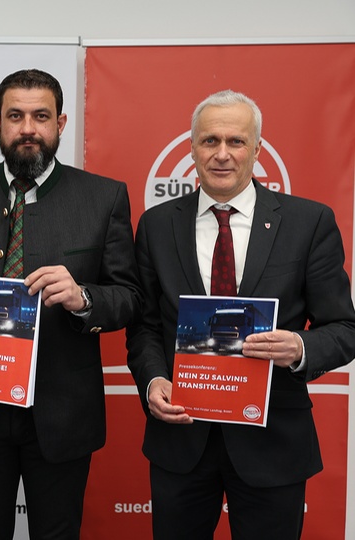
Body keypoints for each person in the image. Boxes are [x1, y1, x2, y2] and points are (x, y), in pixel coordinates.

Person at [0, 68, 142, 539]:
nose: (27, 128)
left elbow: (128, 296)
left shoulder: (103, 197)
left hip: (62, 413)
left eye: (40, 116)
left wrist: (83, 297)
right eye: (15, 116)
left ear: (60, 123)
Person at [126, 89, 355, 539]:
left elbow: (345, 328)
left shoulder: (308, 223)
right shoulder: (156, 225)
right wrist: (153, 380)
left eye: (236, 141)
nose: (222, 154)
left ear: (257, 149)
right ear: (192, 148)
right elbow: (145, 326)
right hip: (182, 441)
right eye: (210, 141)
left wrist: (300, 347)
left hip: (273, 443)